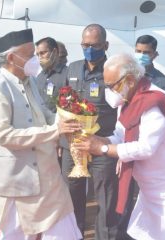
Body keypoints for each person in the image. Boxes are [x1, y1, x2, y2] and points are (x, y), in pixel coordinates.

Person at [73, 53, 165, 240]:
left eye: (111, 86)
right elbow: (121, 133)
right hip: (151, 188)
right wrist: (100, 140)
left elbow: (145, 147)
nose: (108, 91)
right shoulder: (127, 99)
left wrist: (103, 150)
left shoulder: (153, 101)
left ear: (131, 80)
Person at [0, 28, 82, 239]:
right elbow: (5, 136)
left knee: (64, 232)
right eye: (29, 56)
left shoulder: (30, 80)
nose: (35, 59)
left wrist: (68, 122)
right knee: (17, 234)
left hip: (47, 177)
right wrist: (54, 131)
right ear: (11, 57)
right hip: (16, 182)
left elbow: (44, 113)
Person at [60, 23, 119, 239]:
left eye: (94, 45)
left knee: (105, 198)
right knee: (71, 196)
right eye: (85, 45)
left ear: (105, 45)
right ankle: (73, 235)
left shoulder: (113, 70)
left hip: (101, 144)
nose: (89, 49)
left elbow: (122, 107)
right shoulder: (73, 68)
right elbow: (64, 101)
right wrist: (62, 140)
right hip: (73, 145)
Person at [35, 37, 68, 112]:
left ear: (55, 52)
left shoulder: (68, 74)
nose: (40, 57)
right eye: (38, 54)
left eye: (43, 53)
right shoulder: (40, 77)